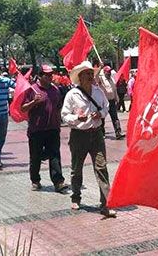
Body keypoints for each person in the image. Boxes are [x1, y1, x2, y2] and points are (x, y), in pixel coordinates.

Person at [61, 61, 116, 217]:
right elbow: (64, 115)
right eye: (87, 74)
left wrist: (101, 114)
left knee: (101, 168)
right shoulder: (72, 94)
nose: (91, 76)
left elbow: (106, 107)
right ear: (80, 77)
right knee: (76, 168)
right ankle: (76, 196)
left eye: (92, 73)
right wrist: (77, 117)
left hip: (97, 133)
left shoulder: (98, 92)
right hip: (79, 135)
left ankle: (106, 204)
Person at [20, 65, 67, 192]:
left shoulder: (55, 90)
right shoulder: (32, 90)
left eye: (51, 74)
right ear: (40, 76)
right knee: (35, 156)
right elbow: (23, 108)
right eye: (47, 75)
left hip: (53, 128)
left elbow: (58, 106)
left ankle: (58, 182)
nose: (50, 77)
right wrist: (33, 102)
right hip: (37, 129)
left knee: (55, 155)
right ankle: (35, 180)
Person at [96, 65, 125, 139]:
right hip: (103, 102)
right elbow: (95, 76)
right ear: (104, 72)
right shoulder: (101, 79)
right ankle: (102, 133)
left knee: (115, 117)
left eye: (109, 72)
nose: (109, 73)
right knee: (102, 118)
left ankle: (118, 132)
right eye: (107, 72)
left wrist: (117, 99)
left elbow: (114, 90)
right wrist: (100, 67)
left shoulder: (112, 79)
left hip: (112, 101)